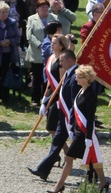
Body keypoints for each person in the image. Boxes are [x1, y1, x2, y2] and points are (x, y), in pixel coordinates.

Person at [47, 64, 109, 193]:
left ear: (87, 78)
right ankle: (103, 182)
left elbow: (90, 118)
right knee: (93, 158)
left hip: (84, 133)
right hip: (77, 131)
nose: (76, 79)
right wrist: (71, 128)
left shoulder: (91, 94)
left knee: (68, 158)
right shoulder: (81, 91)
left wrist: (87, 137)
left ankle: (59, 185)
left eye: (79, 77)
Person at [29, 49, 79, 181]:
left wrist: (73, 120)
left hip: (72, 118)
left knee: (84, 148)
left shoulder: (76, 75)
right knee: (56, 142)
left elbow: (75, 100)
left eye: (62, 61)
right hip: (64, 116)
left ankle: (95, 173)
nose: (60, 64)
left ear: (70, 60)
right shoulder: (69, 73)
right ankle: (43, 170)